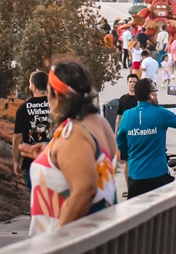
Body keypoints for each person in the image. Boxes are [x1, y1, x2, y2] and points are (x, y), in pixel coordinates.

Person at [29, 59, 117, 236]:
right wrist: (50, 152)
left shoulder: (73, 134)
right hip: (98, 233)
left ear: (56, 94)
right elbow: (87, 160)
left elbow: (85, 191)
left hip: (70, 240)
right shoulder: (99, 123)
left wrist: (56, 241)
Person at [116, 79, 176, 198]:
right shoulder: (160, 113)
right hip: (158, 174)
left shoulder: (127, 115)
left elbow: (120, 140)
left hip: (135, 174)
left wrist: (128, 156)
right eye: (155, 91)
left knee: (137, 212)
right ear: (151, 95)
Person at [13, 71, 51, 191]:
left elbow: (17, 137)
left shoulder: (24, 108)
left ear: (33, 86)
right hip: (55, 160)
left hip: (32, 161)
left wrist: (16, 161)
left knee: (36, 198)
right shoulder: (57, 105)